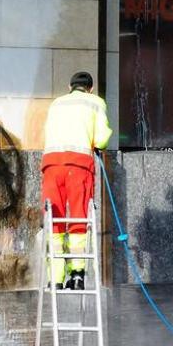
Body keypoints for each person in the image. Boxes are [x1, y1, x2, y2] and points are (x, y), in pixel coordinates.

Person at [41, 72, 113, 290]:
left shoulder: (56, 103)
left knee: (54, 220)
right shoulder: (95, 102)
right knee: (79, 219)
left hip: (52, 164)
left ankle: (55, 279)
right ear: (90, 88)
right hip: (79, 165)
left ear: (69, 86)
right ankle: (77, 275)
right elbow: (101, 139)